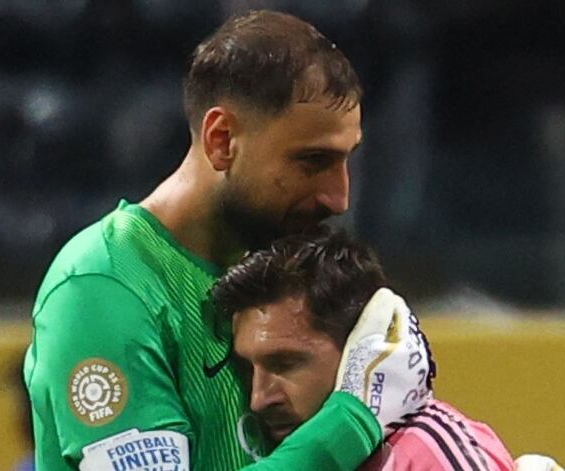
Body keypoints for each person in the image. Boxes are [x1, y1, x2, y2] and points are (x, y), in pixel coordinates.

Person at [23, 10, 427, 471]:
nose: (339, 198)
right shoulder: (104, 286)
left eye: (345, 161)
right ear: (222, 139)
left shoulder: (279, 271)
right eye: (313, 161)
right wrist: (352, 419)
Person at [211, 226, 517, 470]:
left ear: (357, 348)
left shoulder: (426, 455)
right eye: (248, 369)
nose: (259, 399)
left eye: (285, 363)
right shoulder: (263, 452)